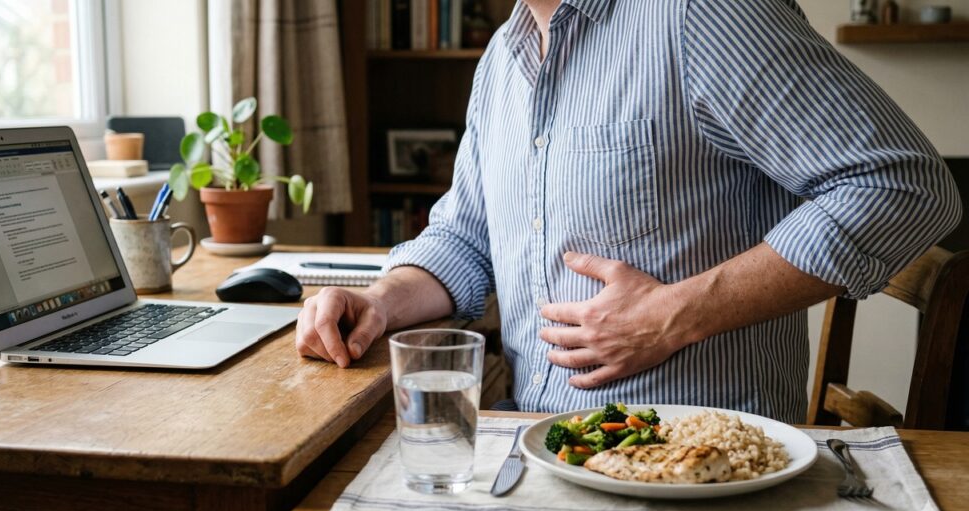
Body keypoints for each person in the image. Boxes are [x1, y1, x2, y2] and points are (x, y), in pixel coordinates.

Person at [297, 0, 961, 422]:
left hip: (707, 466)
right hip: (542, 449)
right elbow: (466, 236)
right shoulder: (504, 56)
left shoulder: (706, 15)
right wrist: (382, 299)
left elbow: (902, 183)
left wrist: (675, 315)